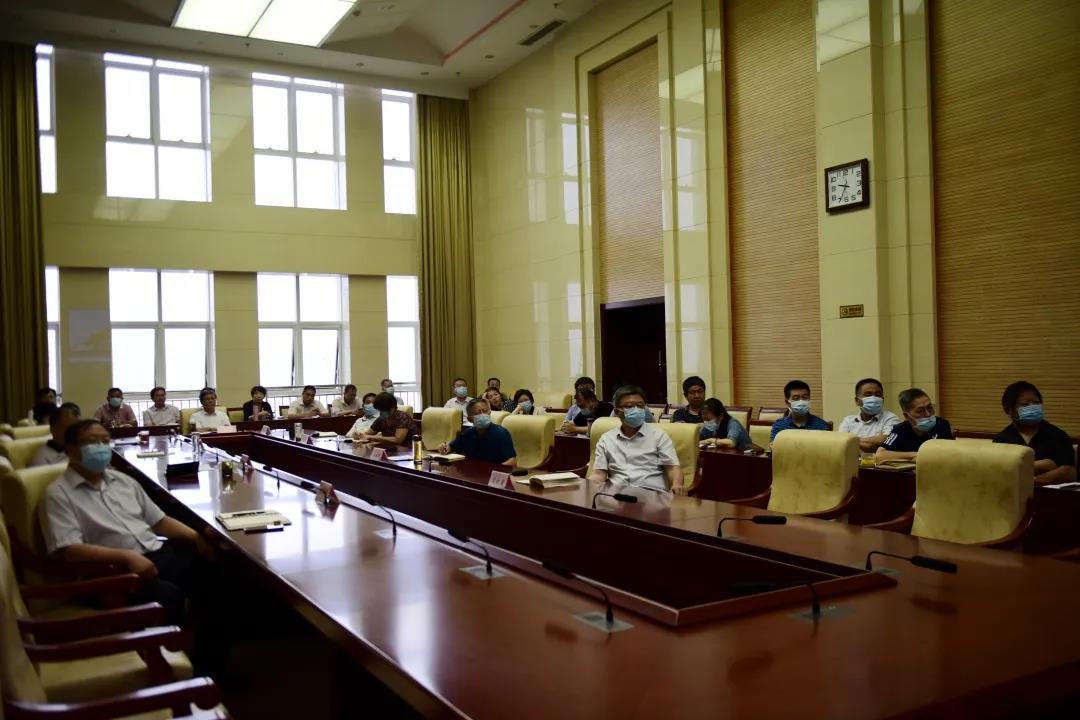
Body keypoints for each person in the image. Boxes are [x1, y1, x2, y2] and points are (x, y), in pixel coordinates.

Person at [42, 418, 221, 670]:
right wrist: (125, 557)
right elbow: (69, 550)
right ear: (70, 449)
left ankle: (207, 666)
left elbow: (159, 521)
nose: (100, 448)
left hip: (154, 553)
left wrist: (194, 537)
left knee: (216, 575)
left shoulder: (123, 481)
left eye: (105, 441)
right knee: (168, 595)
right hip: (110, 572)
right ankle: (168, 667)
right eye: (92, 442)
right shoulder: (57, 494)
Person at [591, 385, 685, 494]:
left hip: (652, 495)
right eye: (629, 406)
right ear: (617, 411)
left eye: (640, 406)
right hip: (616, 496)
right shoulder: (606, 439)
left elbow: (672, 468)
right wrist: (589, 487)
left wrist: (677, 484)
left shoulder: (659, 436)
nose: (636, 410)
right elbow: (599, 473)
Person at [993, 381, 1076, 485]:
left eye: (1036, 403)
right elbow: (1000, 472)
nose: (1032, 408)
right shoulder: (1002, 440)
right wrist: (1044, 465)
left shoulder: (1058, 435)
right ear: (1009, 410)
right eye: (1025, 404)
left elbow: (1069, 472)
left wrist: (1028, 474)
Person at [875, 388, 954, 463]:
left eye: (930, 408)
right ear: (906, 416)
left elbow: (946, 454)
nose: (928, 414)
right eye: (920, 411)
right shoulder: (900, 429)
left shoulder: (942, 424)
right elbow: (880, 455)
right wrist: (916, 454)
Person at [437, 399, 517, 466]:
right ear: (469, 419)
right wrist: (445, 448)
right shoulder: (468, 433)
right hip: (473, 474)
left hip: (494, 476)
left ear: (489, 413)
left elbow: (512, 461)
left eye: (485, 411)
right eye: (477, 413)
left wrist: (494, 471)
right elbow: (452, 447)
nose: (482, 415)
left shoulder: (501, 433)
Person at [839, 378, 901, 452]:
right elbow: (840, 442)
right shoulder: (848, 421)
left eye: (878, 395)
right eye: (868, 395)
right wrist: (874, 442)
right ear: (857, 401)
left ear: (882, 399)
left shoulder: (890, 418)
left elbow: (888, 439)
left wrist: (853, 441)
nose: (873, 398)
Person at [29, 402, 81, 467]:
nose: (76, 434)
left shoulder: (82, 450)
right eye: (70, 429)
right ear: (53, 429)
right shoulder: (41, 459)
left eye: (78, 429)